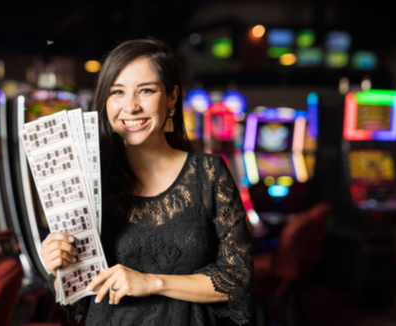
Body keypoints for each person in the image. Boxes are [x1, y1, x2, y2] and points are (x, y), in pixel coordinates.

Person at [40, 38, 253, 325]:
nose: (131, 106)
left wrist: (152, 282)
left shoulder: (209, 173)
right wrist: (57, 268)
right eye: (118, 92)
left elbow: (237, 278)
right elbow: (78, 294)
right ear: (105, 100)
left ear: (172, 97)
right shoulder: (89, 181)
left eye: (146, 90)